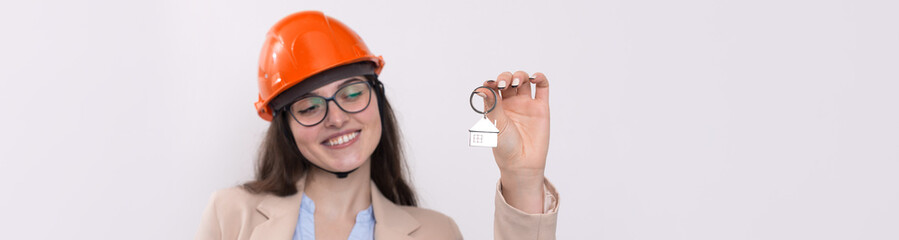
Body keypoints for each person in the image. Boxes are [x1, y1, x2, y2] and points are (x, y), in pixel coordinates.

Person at [195, 10, 559, 240]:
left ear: (378, 100)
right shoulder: (231, 215)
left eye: (353, 93)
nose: (337, 118)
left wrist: (522, 180)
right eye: (309, 106)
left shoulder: (437, 233)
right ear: (285, 127)